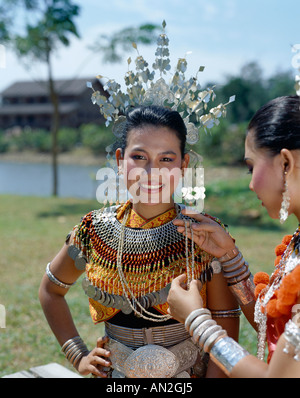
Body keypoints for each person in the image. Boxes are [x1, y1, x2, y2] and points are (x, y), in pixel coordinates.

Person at [39, 105, 240, 378]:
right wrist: (79, 355)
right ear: (121, 160)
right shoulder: (94, 230)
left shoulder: (205, 234)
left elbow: (226, 316)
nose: (151, 171)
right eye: (139, 156)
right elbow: (51, 291)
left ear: (184, 164)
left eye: (166, 159)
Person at [167, 95, 300, 378]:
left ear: (286, 163)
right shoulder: (296, 244)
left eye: (252, 167)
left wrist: (197, 322)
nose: (251, 184)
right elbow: (273, 327)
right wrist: (229, 258)